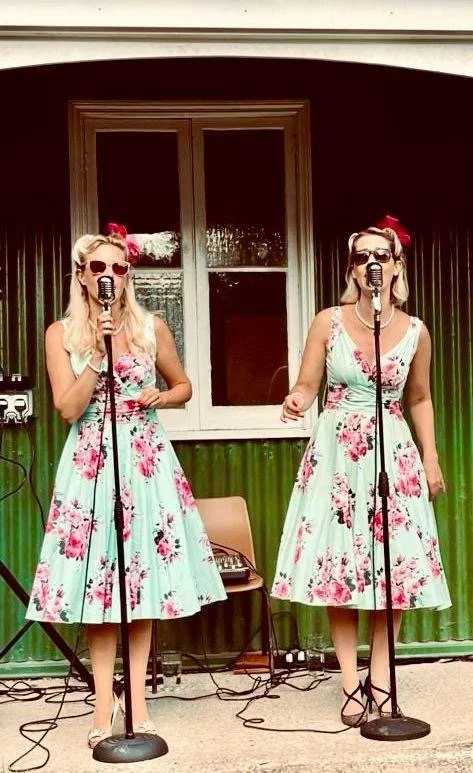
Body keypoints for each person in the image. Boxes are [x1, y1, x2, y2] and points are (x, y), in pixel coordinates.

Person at [26, 223, 226, 747]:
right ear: (82, 276)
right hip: (91, 459)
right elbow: (68, 408)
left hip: (143, 459)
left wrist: (161, 397)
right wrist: (99, 350)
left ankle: (136, 698)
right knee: (100, 587)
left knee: (140, 585)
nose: (110, 275)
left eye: (119, 267)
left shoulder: (151, 326)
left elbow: (183, 386)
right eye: (99, 267)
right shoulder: (59, 334)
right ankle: (100, 704)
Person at [271, 215, 451, 726]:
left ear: (397, 266)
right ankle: (350, 681)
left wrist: (430, 457)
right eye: (361, 256)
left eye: (381, 256)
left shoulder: (416, 330)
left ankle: (381, 677)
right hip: (338, 454)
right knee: (340, 568)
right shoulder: (328, 321)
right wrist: (296, 399)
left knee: (391, 571)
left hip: (391, 450)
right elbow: (307, 383)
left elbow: (419, 398)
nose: (371, 263)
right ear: (351, 268)